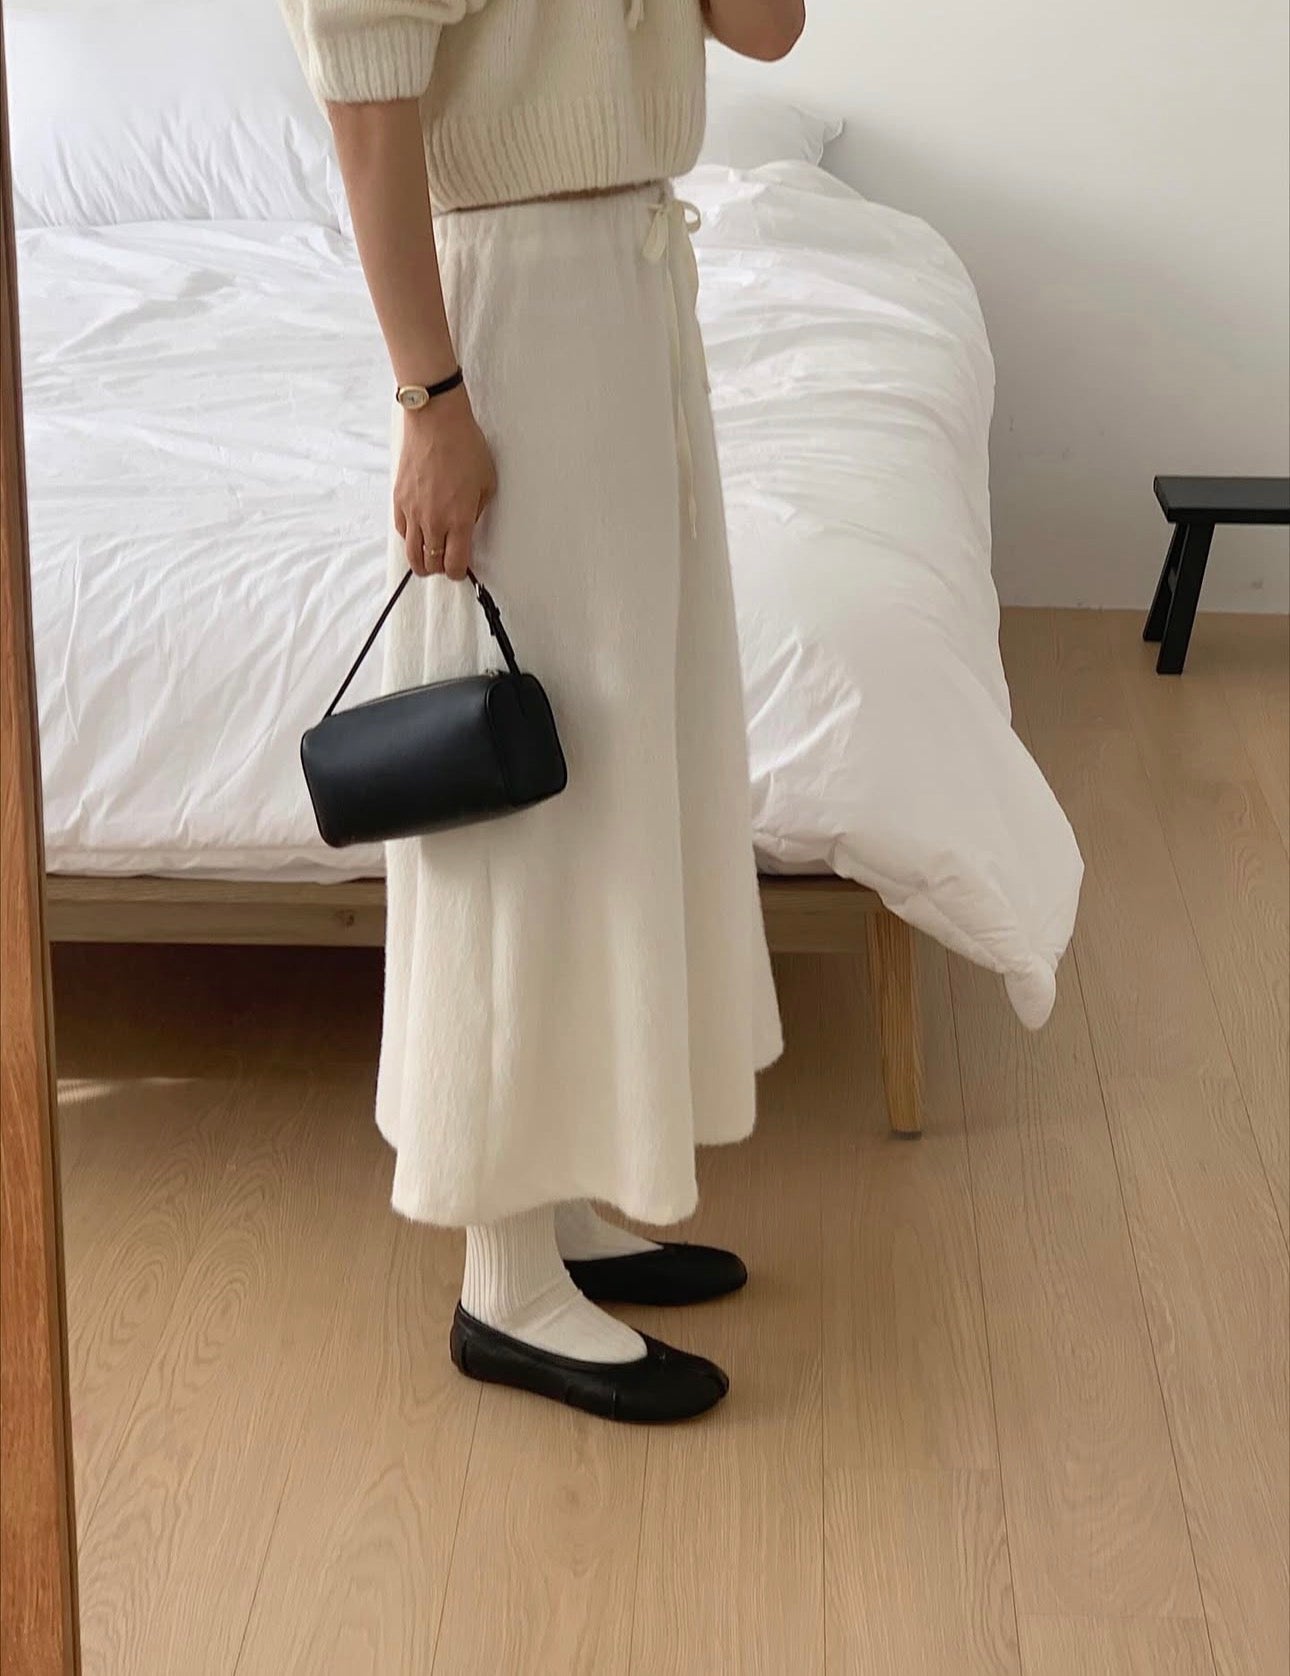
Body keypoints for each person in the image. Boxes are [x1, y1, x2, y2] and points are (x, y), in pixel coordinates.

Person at [281, 0, 802, 1422]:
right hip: (503, 314)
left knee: (617, 766)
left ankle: (554, 1199)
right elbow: (366, 105)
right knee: (516, 788)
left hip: (636, 289)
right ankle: (502, 1281)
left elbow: (770, 30)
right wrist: (429, 398)